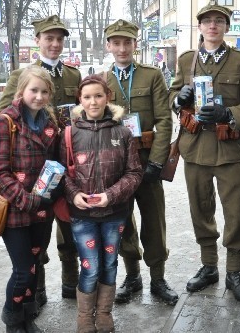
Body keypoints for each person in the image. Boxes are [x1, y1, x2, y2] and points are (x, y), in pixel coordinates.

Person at [168, 0, 240, 303]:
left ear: (226, 26)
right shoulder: (186, 61)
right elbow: (172, 94)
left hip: (227, 148)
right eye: (207, 21)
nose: (212, 25)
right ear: (199, 26)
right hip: (194, 147)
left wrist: (227, 114)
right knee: (200, 208)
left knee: (236, 212)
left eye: (218, 21)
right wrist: (179, 98)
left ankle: (234, 271)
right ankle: (209, 266)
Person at [0, 15, 82, 305]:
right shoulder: (21, 75)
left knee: (69, 231)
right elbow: (3, 115)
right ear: (38, 41)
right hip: (32, 171)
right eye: (49, 38)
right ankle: (38, 290)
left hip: (65, 166)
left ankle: (71, 284)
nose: (55, 44)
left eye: (59, 39)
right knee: (37, 239)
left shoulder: (72, 76)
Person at [100, 19, 178, 305]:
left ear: (135, 45)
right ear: (108, 46)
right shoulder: (101, 81)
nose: (122, 48)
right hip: (116, 165)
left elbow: (163, 120)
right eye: (116, 42)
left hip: (147, 160)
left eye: (127, 42)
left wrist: (157, 162)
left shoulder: (152, 75)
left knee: (154, 220)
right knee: (122, 221)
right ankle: (132, 275)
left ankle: (158, 278)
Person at [60, 75, 143, 333]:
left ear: (108, 96)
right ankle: (85, 317)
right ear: (80, 100)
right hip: (82, 216)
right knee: (90, 266)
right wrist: (74, 195)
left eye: (98, 95)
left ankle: (104, 313)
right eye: (87, 97)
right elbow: (61, 172)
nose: (93, 101)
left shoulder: (123, 132)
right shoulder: (70, 134)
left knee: (109, 264)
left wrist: (112, 195)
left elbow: (134, 173)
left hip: (114, 213)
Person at [0, 67, 61, 333]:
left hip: (42, 210)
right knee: (23, 271)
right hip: (16, 211)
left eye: (44, 92)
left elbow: (56, 164)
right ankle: (13, 319)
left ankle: (27, 317)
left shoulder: (51, 125)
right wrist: (27, 200)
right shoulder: (5, 122)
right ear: (21, 92)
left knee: (35, 265)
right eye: (33, 90)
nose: (38, 96)